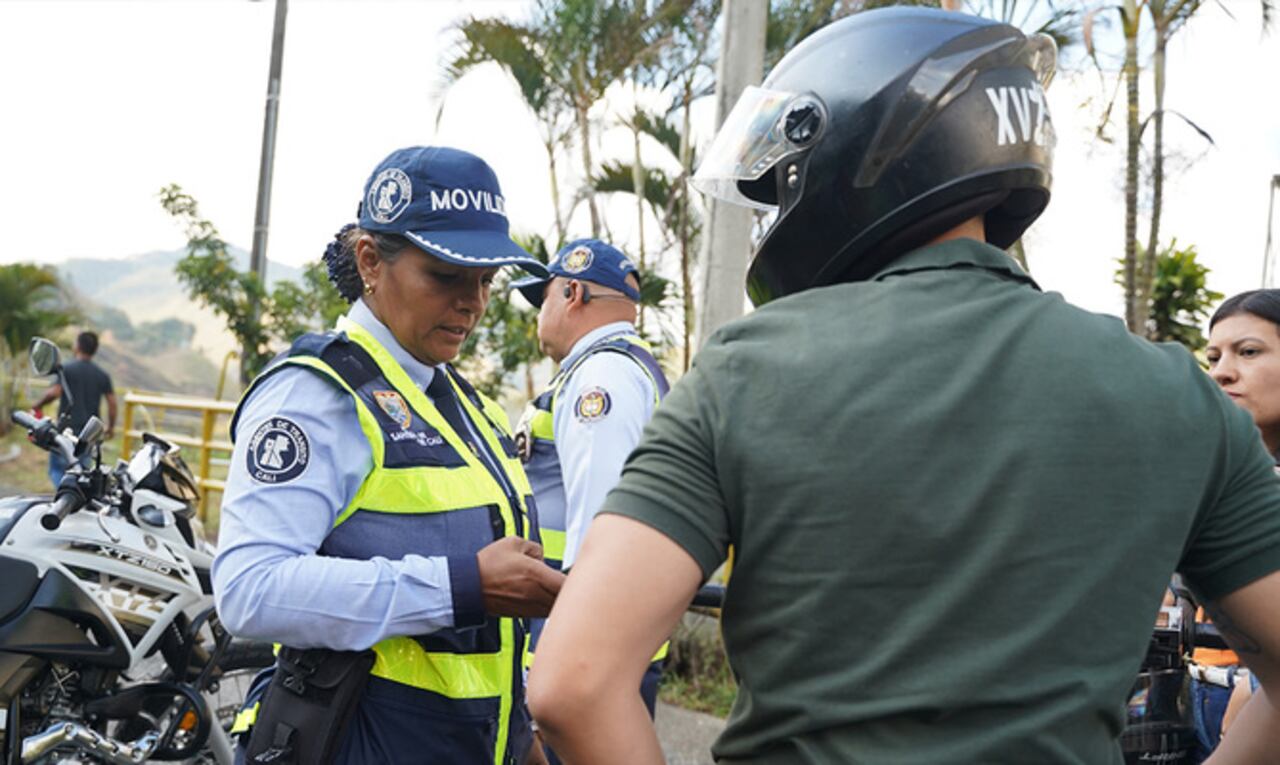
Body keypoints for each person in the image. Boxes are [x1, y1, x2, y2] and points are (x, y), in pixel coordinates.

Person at [526, 8, 1280, 764]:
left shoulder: (746, 370)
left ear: (861, 153)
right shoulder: (1178, 393)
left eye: (780, 185)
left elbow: (574, 680)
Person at [212, 145, 565, 764]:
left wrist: (519, 743)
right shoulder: (316, 396)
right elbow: (249, 589)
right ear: (371, 261)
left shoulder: (460, 399)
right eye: (447, 276)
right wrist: (463, 586)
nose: (474, 304)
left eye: (485, 282)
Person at [509, 239, 671, 752]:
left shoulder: (600, 378)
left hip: (580, 644)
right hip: (597, 638)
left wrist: (567, 663)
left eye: (544, 297)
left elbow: (599, 526)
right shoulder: (619, 369)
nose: (540, 314)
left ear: (572, 292)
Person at [1194, 289, 1280, 756]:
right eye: (1213, 356)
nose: (1221, 370)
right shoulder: (1205, 472)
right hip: (1188, 699)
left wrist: (1258, 684)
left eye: (1248, 352)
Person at [33, 330, 116, 487]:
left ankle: (64, 502)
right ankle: (75, 503)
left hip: (66, 431)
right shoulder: (102, 374)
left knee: (57, 471)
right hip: (89, 434)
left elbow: (55, 392)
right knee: (82, 473)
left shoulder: (66, 368)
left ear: (77, 346)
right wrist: (110, 427)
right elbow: (112, 403)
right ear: (95, 350)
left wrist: (38, 405)